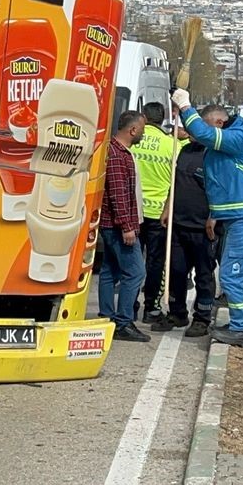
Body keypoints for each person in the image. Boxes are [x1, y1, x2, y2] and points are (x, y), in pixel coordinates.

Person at [173, 89, 243, 348]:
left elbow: (203, 134)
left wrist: (184, 105)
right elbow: (219, 181)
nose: (196, 135)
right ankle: (238, 322)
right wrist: (214, 214)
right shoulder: (231, 138)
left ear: (218, 123)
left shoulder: (240, 136)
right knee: (232, 271)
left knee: (232, 273)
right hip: (233, 215)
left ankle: (241, 328)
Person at [95, 110, 151, 343]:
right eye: (143, 130)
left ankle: (107, 316)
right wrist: (128, 227)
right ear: (133, 130)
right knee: (136, 271)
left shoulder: (117, 151)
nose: (143, 135)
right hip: (119, 226)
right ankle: (123, 322)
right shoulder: (117, 155)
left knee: (110, 270)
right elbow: (118, 194)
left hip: (112, 224)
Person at [168, 123, 219, 337]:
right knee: (177, 271)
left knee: (204, 275)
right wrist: (166, 208)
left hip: (202, 228)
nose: (188, 133)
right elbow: (175, 182)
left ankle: (202, 317)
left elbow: (220, 189)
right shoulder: (184, 150)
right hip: (179, 223)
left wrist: (213, 216)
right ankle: (177, 312)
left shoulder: (214, 156)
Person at [131, 102, 177, 327]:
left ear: (144, 118)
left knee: (131, 262)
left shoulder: (133, 141)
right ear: (163, 118)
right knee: (155, 263)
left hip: (134, 211)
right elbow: (175, 183)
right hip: (159, 213)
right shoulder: (171, 145)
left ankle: (129, 306)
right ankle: (151, 307)